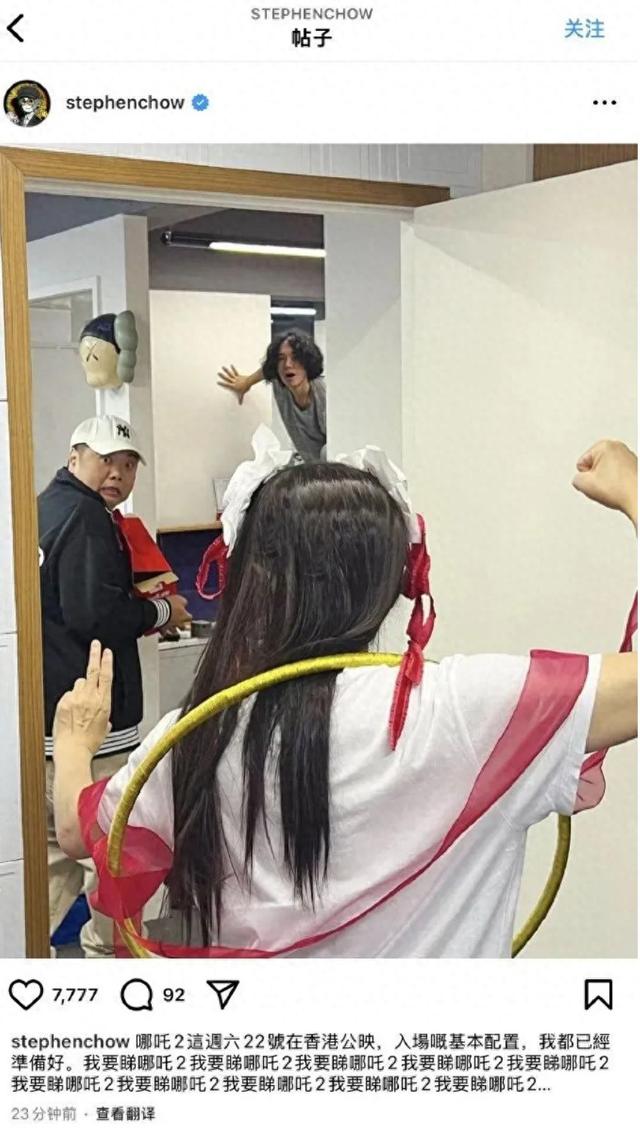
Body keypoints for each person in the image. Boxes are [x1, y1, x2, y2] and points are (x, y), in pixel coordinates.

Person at [51, 437, 637, 958]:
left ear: (249, 576)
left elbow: (82, 833)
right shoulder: (468, 710)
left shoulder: (197, 735)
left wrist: (76, 743)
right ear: (399, 577)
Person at [39, 414, 191, 956]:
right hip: (93, 729)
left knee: (50, 862)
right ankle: (112, 965)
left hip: (49, 720)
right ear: (74, 456)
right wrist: (162, 611)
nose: (117, 474)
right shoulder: (86, 519)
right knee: (110, 858)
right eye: (106, 460)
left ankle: (24, 962)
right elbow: (95, 615)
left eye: (128, 465)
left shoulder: (44, 508)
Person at [218, 329, 326, 461]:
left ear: (308, 362)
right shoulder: (280, 382)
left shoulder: (322, 394)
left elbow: (337, 445)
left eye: (295, 358)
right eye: (281, 358)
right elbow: (265, 371)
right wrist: (247, 382)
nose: (287, 365)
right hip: (310, 464)